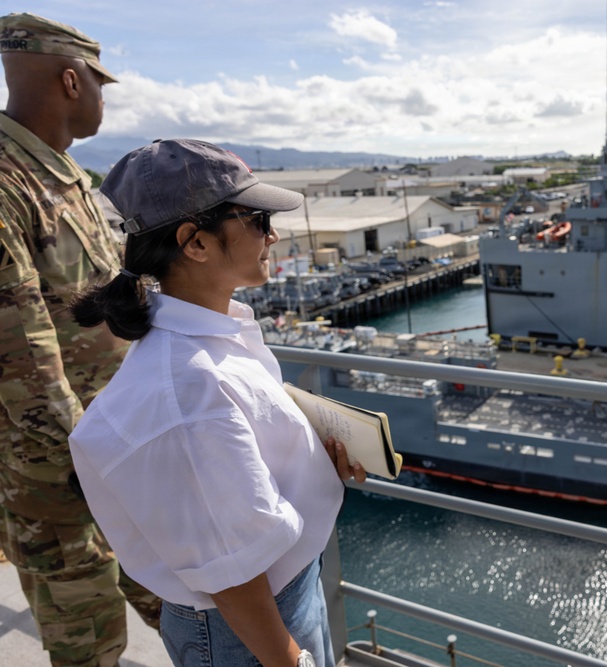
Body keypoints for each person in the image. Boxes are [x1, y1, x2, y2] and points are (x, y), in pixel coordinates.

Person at [68, 138, 367, 667]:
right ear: (196, 243)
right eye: (257, 219)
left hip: (278, 597)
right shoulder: (187, 388)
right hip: (250, 627)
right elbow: (228, 571)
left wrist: (308, 461)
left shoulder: (212, 340)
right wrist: (287, 658)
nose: (272, 235)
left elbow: (223, 489)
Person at [0, 12, 162, 665]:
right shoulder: (9, 182)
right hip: (62, 470)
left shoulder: (61, 174)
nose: (103, 97)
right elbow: (20, 350)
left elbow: (102, 297)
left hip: (116, 448)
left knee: (181, 602)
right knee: (88, 642)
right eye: (100, 84)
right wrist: (93, 455)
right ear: (72, 80)